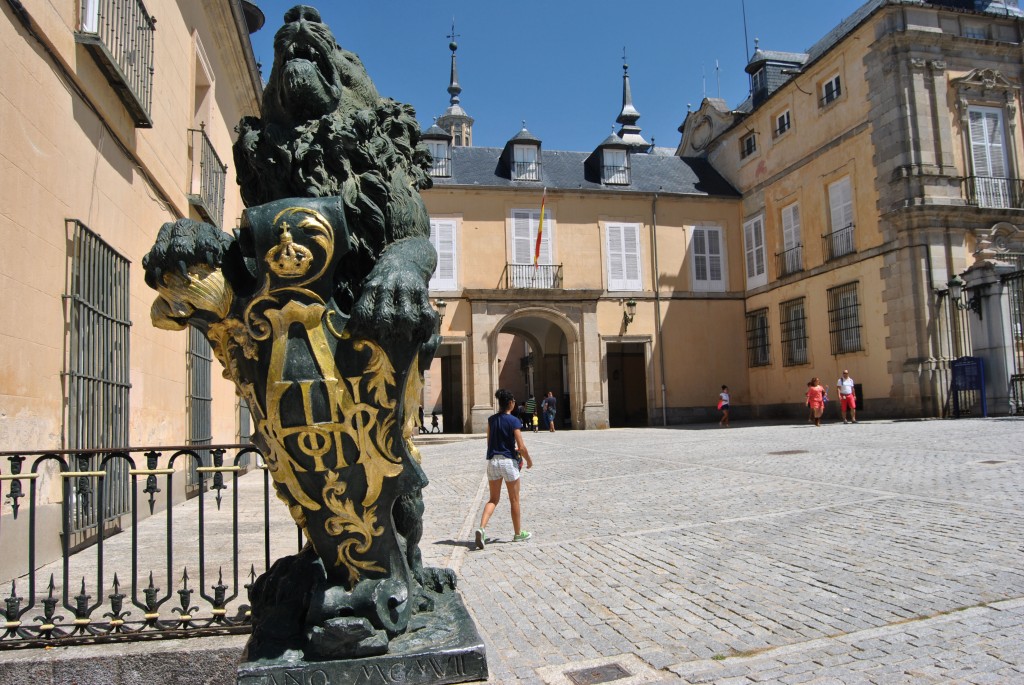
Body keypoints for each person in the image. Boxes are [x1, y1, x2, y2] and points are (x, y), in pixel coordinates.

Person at [475, 389, 533, 549]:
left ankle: (481, 528)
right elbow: (521, 446)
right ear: (511, 404)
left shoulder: (491, 420)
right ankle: (518, 533)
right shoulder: (514, 421)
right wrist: (529, 461)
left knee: (493, 499)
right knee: (514, 499)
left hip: (493, 462)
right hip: (508, 462)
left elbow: (489, 442)